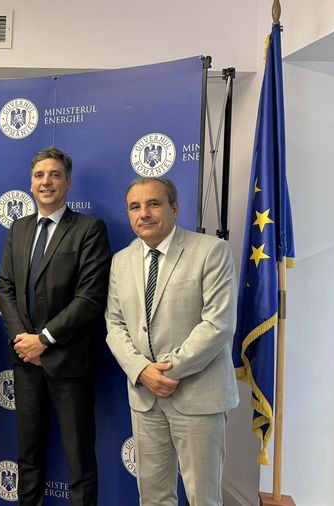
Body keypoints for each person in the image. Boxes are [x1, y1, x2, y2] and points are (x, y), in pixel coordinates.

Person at [105, 177, 238, 506]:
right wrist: (142, 371)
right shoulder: (121, 260)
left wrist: (166, 372)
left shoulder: (211, 251)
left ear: (174, 208)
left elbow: (218, 324)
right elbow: (115, 324)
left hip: (198, 395)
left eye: (154, 204)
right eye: (135, 207)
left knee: (203, 498)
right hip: (145, 397)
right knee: (153, 496)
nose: (144, 213)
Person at [0, 147, 111, 505]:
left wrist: (43, 340)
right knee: (28, 456)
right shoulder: (19, 228)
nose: (46, 181)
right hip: (25, 363)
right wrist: (23, 341)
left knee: (79, 461)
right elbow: (6, 287)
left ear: (68, 182)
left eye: (54, 175)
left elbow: (89, 297)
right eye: (39, 175)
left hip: (70, 362)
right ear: (31, 183)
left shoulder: (89, 230)